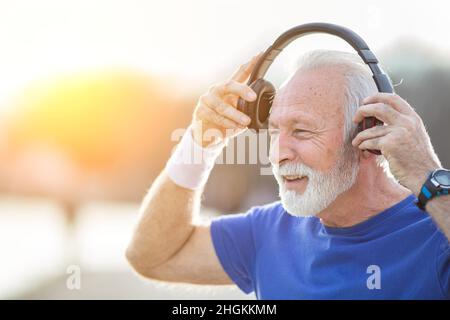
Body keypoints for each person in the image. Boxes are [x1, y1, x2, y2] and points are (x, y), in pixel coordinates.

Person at [126, 50, 450, 299]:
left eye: (302, 130)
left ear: (369, 133)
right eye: (275, 130)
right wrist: (199, 141)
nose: (279, 153)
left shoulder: (436, 232)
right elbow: (151, 256)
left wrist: (425, 173)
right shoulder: (267, 232)